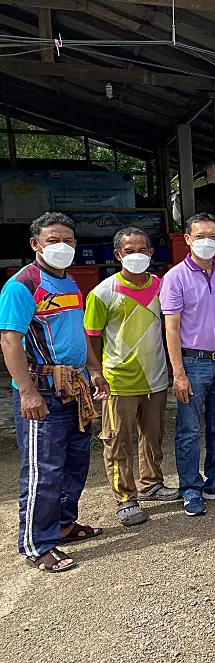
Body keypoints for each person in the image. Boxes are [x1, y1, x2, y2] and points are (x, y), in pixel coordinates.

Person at [0, 212, 109, 572]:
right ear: (35, 244)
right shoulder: (22, 286)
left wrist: (94, 370)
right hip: (42, 391)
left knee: (76, 462)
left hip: (74, 386)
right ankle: (37, 543)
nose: (62, 247)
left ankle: (63, 523)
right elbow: (10, 340)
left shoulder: (71, 284)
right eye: (53, 240)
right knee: (43, 469)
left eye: (69, 240)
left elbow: (79, 334)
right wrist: (27, 393)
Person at [84, 227, 179, 528]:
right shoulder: (102, 293)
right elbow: (92, 337)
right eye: (129, 250)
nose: (136, 255)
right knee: (117, 441)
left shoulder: (163, 287)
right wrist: (95, 372)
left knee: (153, 436)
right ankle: (125, 498)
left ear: (151, 253)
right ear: (117, 255)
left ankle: (151, 482)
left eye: (142, 250)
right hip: (118, 381)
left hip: (155, 378)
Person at [160, 212, 215, 517]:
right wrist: (178, 373)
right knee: (189, 430)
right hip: (192, 363)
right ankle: (191, 488)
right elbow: (171, 328)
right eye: (200, 237)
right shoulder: (174, 278)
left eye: (212, 236)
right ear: (188, 240)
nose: (207, 242)